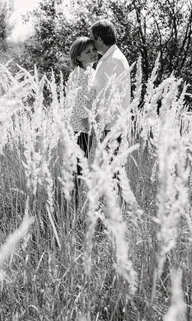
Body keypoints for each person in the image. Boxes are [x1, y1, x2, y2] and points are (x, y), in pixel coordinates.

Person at [89, 19, 130, 151]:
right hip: (107, 127)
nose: (91, 43)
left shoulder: (114, 60)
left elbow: (112, 98)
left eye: (92, 39)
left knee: (112, 170)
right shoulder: (109, 58)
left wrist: (101, 130)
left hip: (111, 128)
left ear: (99, 39)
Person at [67, 36, 98, 204]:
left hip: (87, 128)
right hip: (80, 129)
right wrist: (90, 129)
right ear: (78, 57)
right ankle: (72, 206)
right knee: (79, 169)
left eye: (94, 49)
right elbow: (79, 106)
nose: (93, 53)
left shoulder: (91, 72)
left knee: (83, 169)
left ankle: (78, 203)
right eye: (88, 51)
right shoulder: (79, 75)